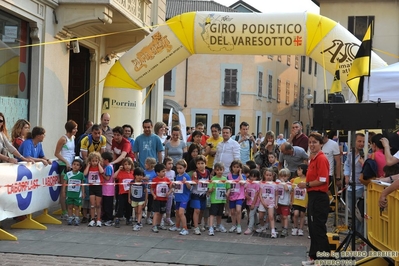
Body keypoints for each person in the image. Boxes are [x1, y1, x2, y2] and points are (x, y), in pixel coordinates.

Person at [297, 132, 330, 265]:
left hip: (319, 197)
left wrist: (307, 184)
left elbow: (322, 180)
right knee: (313, 228)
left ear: (321, 144)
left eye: (315, 142)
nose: (312, 145)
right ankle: (314, 257)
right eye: (310, 142)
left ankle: (324, 259)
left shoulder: (321, 159)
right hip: (313, 195)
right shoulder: (313, 158)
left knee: (318, 228)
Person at [54, 120, 78, 219]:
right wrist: (66, 162)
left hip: (71, 164)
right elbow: (56, 153)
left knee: (69, 188)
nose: (76, 130)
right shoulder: (63, 139)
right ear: (70, 129)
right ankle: (64, 211)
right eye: (75, 128)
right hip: (64, 165)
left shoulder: (73, 138)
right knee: (64, 188)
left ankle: (69, 209)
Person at [343, 133, 365, 235]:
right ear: (354, 142)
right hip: (351, 186)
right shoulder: (350, 154)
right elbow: (347, 165)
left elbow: (368, 169)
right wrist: (346, 176)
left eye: (363, 142)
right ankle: (354, 231)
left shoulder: (365, 154)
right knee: (352, 211)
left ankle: (359, 233)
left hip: (361, 186)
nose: (361, 144)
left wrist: (363, 163)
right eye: (359, 141)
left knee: (359, 212)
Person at [169, 159, 192, 235]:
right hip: (178, 197)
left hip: (184, 197)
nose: (178, 170)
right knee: (177, 213)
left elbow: (189, 188)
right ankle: (177, 226)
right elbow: (177, 186)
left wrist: (186, 183)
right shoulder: (177, 176)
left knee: (181, 213)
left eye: (180, 168)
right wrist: (173, 185)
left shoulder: (186, 176)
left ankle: (185, 228)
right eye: (177, 168)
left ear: (185, 168)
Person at [207, 162, 230, 236]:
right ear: (215, 171)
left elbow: (228, 188)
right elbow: (209, 190)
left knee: (220, 214)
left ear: (223, 170)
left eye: (221, 170)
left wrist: (227, 193)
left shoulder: (225, 179)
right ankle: (211, 227)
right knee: (212, 214)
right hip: (214, 200)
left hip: (222, 200)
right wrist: (211, 189)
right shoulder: (213, 179)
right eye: (217, 170)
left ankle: (219, 225)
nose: (219, 171)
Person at [190, 155, 211, 235]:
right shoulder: (195, 173)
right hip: (196, 194)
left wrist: (209, 190)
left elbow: (209, 181)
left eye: (202, 163)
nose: (200, 165)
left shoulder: (208, 172)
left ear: (205, 164)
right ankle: (196, 227)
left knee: (201, 210)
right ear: (196, 165)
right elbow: (193, 183)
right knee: (197, 210)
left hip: (204, 195)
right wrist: (194, 179)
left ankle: (198, 224)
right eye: (198, 163)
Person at [83, 151, 105, 227]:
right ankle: (92, 219)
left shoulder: (99, 167)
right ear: (90, 161)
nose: (94, 163)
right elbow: (85, 174)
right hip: (91, 187)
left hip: (98, 186)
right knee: (92, 204)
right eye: (93, 161)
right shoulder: (89, 167)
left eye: (96, 161)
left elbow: (102, 172)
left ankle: (98, 219)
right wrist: (88, 165)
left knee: (98, 204)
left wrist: (98, 164)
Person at [256, 167, 278, 238]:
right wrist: (263, 203)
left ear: (273, 175)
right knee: (261, 217)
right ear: (264, 175)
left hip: (271, 202)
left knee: (271, 216)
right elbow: (260, 194)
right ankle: (263, 226)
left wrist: (276, 203)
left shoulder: (275, 184)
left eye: (270, 175)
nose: (268, 177)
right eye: (267, 175)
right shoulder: (261, 183)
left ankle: (273, 230)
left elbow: (276, 194)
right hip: (263, 202)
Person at [113, 157, 134, 228]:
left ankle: (128, 218)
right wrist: (119, 169)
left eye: (129, 164)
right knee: (120, 206)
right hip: (122, 193)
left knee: (129, 206)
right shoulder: (121, 173)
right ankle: (117, 218)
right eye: (125, 164)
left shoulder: (132, 173)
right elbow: (114, 176)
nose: (127, 166)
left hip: (130, 193)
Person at [150, 163, 172, 233]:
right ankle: (154, 226)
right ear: (157, 172)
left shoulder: (167, 180)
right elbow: (151, 189)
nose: (164, 173)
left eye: (165, 171)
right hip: (157, 199)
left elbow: (171, 188)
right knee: (156, 212)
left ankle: (159, 224)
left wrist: (168, 193)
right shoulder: (154, 180)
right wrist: (153, 195)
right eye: (163, 171)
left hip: (164, 199)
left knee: (162, 212)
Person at [63, 159, 85, 226]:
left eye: (77, 165)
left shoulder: (81, 175)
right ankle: (70, 217)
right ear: (72, 165)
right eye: (74, 164)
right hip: (69, 193)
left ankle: (77, 218)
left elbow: (83, 185)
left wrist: (83, 192)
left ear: (80, 167)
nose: (75, 166)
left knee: (76, 207)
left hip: (77, 194)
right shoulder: (68, 174)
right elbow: (64, 184)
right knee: (70, 206)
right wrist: (63, 192)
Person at [227, 160, 246, 234]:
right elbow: (228, 185)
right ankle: (233, 225)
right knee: (232, 211)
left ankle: (239, 225)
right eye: (234, 167)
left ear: (240, 168)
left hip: (240, 195)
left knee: (238, 210)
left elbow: (242, 183)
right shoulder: (229, 176)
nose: (235, 168)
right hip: (232, 195)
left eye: (237, 167)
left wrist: (240, 174)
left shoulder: (242, 176)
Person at [129, 167, 148, 231]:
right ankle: (138, 221)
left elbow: (146, 192)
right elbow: (130, 190)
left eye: (141, 175)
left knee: (140, 211)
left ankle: (138, 223)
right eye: (138, 175)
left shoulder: (143, 183)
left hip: (141, 199)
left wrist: (145, 201)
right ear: (135, 176)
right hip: (134, 199)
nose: (139, 177)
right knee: (136, 211)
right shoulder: (132, 182)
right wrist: (129, 198)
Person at [244, 169, 261, 235]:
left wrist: (253, 203)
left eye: (254, 177)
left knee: (251, 214)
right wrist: (246, 195)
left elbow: (257, 194)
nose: (252, 178)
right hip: (249, 201)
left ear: (257, 177)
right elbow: (244, 189)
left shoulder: (257, 184)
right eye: (251, 176)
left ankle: (250, 228)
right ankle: (257, 225)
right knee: (253, 214)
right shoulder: (248, 183)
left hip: (255, 202)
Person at [276, 168, 292, 237]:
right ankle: (282, 227)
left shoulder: (289, 184)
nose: (283, 178)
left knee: (285, 216)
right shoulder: (277, 182)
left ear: (288, 177)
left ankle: (285, 228)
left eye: (285, 176)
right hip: (279, 202)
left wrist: (283, 182)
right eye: (281, 176)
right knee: (281, 216)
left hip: (285, 203)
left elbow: (286, 189)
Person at [101, 152, 115, 226]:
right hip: (105, 190)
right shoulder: (107, 167)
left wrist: (101, 173)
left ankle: (109, 219)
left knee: (108, 205)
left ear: (106, 160)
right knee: (105, 204)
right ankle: (105, 218)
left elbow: (108, 177)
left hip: (108, 190)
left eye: (102, 159)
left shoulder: (109, 167)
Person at [162, 157, 176, 227]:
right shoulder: (163, 172)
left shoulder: (173, 172)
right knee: (162, 206)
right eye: (169, 163)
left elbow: (173, 181)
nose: (170, 165)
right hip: (163, 192)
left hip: (170, 192)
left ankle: (168, 218)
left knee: (169, 206)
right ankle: (161, 219)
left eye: (172, 163)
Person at [143, 157, 157, 225]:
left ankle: (148, 217)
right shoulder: (144, 171)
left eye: (146, 163)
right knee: (143, 203)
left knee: (150, 205)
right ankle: (141, 214)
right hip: (144, 191)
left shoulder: (154, 172)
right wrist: (143, 178)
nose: (145, 164)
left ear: (151, 165)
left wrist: (150, 178)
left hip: (151, 192)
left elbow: (156, 179)